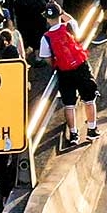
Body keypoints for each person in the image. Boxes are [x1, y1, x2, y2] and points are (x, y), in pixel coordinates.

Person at [38, 9, 96, 151]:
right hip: (81, 67)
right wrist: (61, 10)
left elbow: (46, 58)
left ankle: (74, 134)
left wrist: (56, 64)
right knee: (89, 100)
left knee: (69, 104)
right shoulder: (70, 26)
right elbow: (70, 18)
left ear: (47, 19)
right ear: (59, 16)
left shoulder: (46, 38)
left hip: (64, 72)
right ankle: (92, 129)